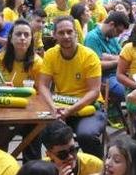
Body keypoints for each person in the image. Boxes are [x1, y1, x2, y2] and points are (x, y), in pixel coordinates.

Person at [38, 16, 106, 157]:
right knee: (42, 133)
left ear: (76, 33)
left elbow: (94, 91)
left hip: (89, 108)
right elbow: (43, 85)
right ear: (55, 35)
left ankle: (98, 172)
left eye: (69, 32)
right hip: (60, 106)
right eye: (61, 33)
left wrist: (70, 110)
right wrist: (53, 108)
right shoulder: (50, 55)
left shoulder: (89, 56)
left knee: (86, 135)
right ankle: (59, 169)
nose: (66, 36)